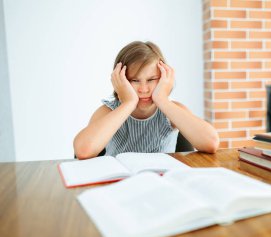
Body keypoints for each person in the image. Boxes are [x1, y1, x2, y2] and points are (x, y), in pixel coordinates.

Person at [74, 41, 219, 159]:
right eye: (134, 80)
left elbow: (211, 142)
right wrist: (128, 103)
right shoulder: (108, 111)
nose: (144, 89)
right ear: (120, 80)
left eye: (152, 79)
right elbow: (83, 150)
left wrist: (162, 100)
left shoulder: (171, 109)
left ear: (164, 78)